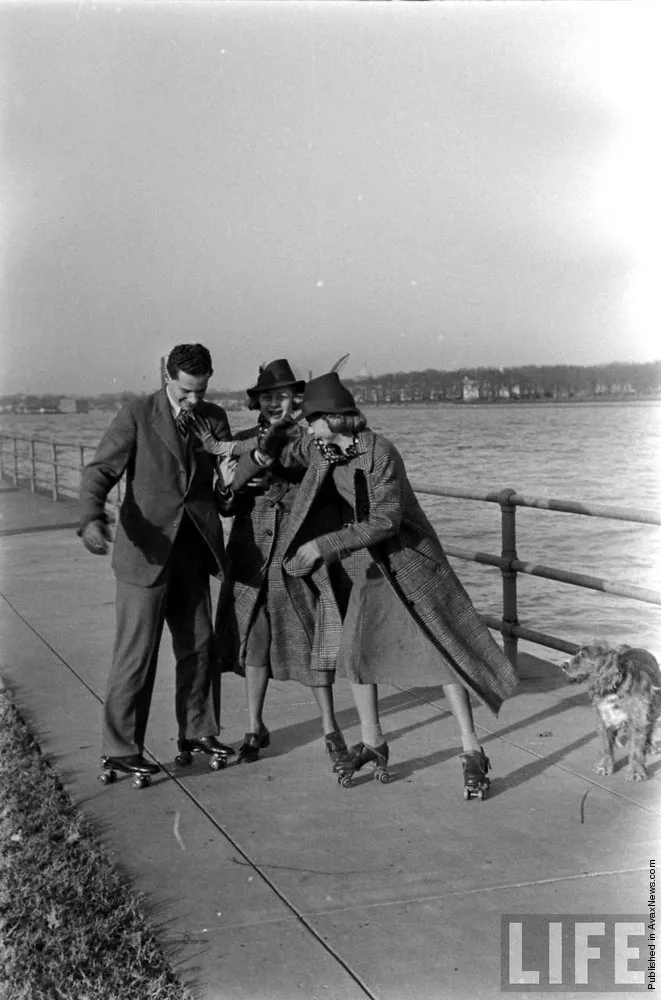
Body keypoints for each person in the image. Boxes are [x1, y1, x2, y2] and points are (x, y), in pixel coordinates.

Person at [238, 371, 519, 794]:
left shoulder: (380, 452)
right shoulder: (322, 449)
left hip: (408, 563)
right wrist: (271, 438)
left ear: (332, 418)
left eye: (312, 419)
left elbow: (385, 520)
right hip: (364, 565)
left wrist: (321, 547)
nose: (308, 428)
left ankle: (471, 750)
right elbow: (285, 455)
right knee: (355, 652)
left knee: (442, 653)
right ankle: (373, 742)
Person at [78, 343, 236, 780]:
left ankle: (198, 731)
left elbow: (224, 488)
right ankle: (120, 748)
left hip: (193, 552)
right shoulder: (135, 414)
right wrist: (91, 518)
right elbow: (99, 472)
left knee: (200, 646)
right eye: (187, 392)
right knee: (136, 655)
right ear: (167, 378)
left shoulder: (216, 418)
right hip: (144, 554)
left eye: (202, 391)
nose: (195, 401)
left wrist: (232, 486)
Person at [200, 359, 348, 764]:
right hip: (251, 551)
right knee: (254, 637)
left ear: (296, 399)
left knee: (311, 634)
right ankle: (253, 727)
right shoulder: (242, 440)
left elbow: (309, 471)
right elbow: (225, 504)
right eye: (267, 396)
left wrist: (268, 469)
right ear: (257, 401)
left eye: (281, 396)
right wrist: (231, 487)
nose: (274, 403)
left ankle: (330, 727)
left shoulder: (312, 436)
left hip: (297, 550)